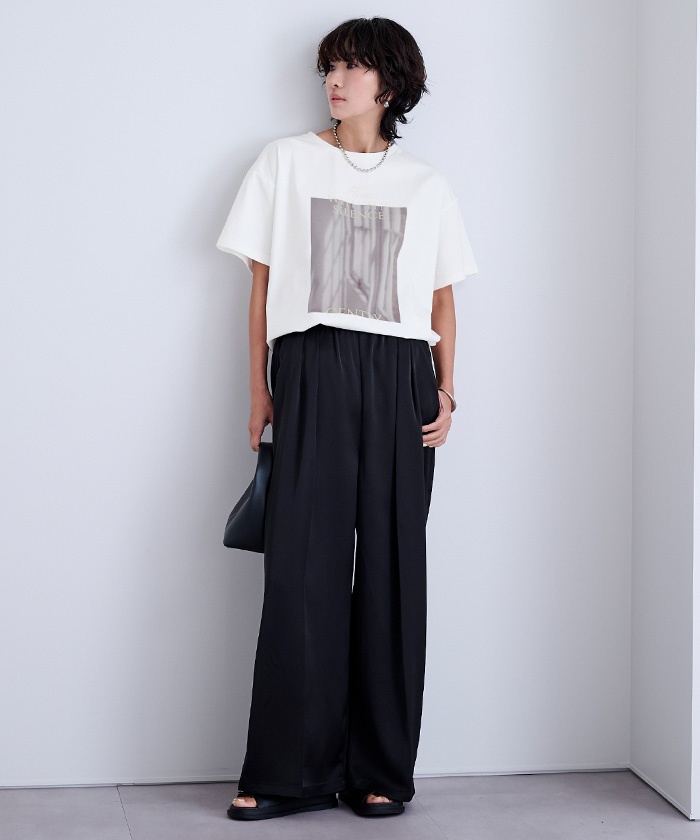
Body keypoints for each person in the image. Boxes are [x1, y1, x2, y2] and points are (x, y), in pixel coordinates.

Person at [215, 16, 479, 822]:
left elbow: (441, 298)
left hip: (401, 375)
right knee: (303, 567)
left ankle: (380, 770)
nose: (336, 80)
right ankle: (288, 772)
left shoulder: (426, 184)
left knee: (395, 570)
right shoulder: (285, 162)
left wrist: (447, 390)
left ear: (390, 85)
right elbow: (262, 285)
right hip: (313, 364)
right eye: (330, 66)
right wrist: (259, 388)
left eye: (354, 67)